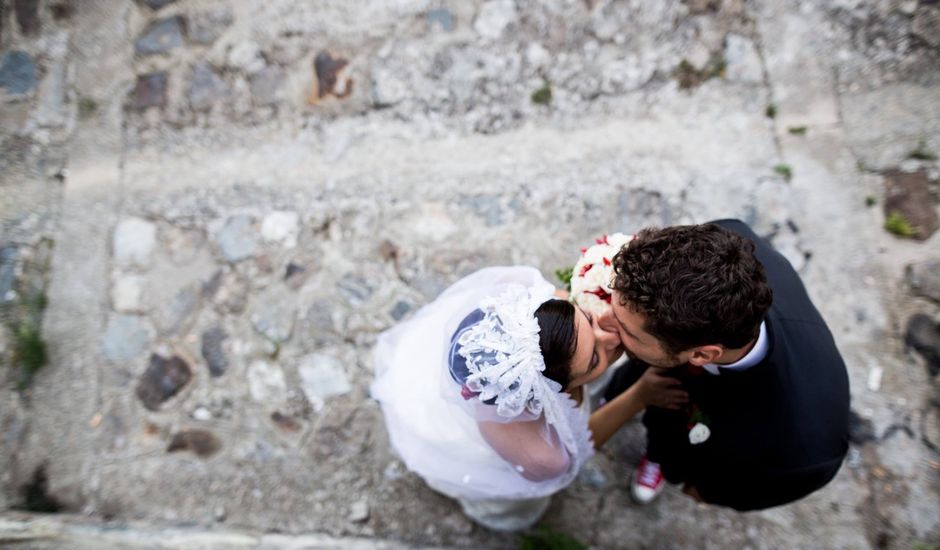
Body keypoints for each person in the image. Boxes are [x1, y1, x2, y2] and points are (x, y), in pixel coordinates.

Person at [372, 266, 684, 531]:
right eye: (593, 360)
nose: (612, 336)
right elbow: (580, 446)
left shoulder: (529, 313)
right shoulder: (541, 456)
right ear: (552, 394)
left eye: (585, 319)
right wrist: (638, 396)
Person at [599, 219, 850, 511]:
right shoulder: (725, 239)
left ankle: (658, 459)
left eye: (627, 331)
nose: (604, 324)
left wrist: (706, 489)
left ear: (704, 355)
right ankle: (616, 397)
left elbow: (738, 489)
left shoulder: (806, 449)